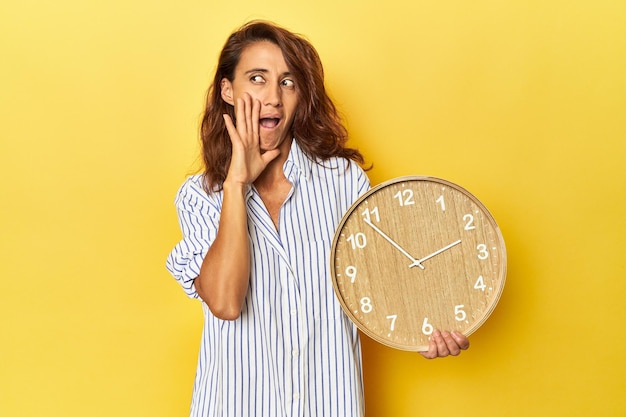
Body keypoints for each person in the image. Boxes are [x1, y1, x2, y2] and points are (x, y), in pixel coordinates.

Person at [166, 20, 469, 417]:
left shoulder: (342, 181)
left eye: (288, 82)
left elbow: (385, 284)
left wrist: (428, 328)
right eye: (257, 79)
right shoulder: (200, 196)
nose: (273, 97)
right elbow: (225, 302)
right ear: (228, 90)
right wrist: (236, 184)